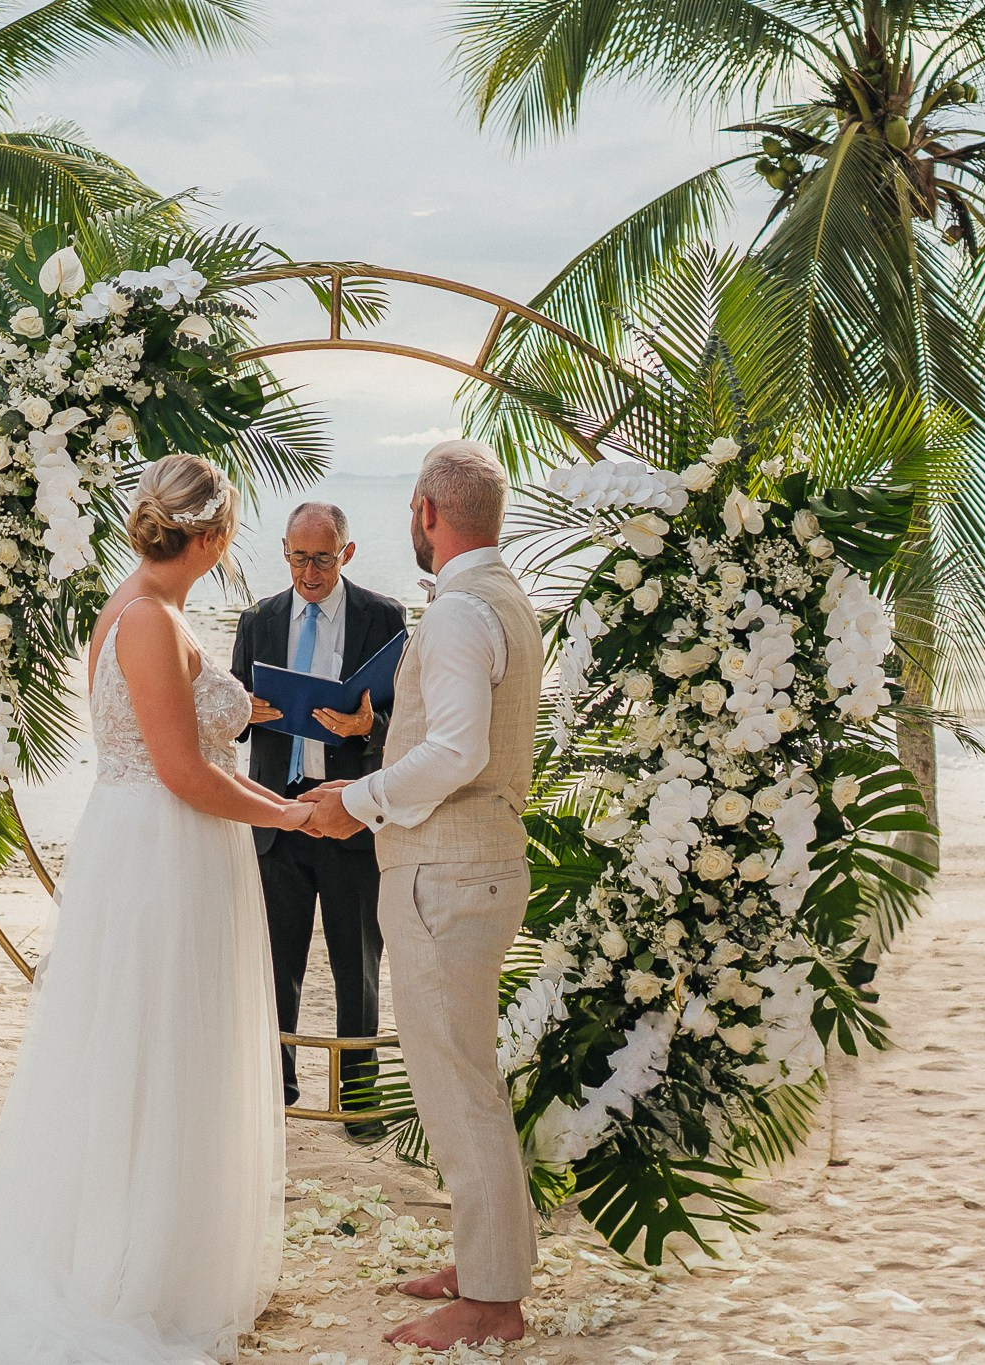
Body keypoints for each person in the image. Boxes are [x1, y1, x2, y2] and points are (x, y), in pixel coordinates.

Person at [0, 454, 311, 1364]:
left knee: (167, 1043)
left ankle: (165, 1249)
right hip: (163, 847)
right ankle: (140, 1269)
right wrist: (288, 813)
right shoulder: (149, 621)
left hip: (160, 843)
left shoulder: (144, 608)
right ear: (211, 536)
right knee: (154, 1044)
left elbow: (192, 734)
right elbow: (182, 769)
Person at [302, 439, 543, 1350]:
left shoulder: (453, 615)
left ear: (425, 512)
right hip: (475, 865)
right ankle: (487, 1260)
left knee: (456, 1082)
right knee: (463, 1075)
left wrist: (355, 803)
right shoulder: (505, 601)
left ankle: (491, 1299)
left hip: (444, 873)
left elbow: (458, 752)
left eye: (413, 513)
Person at [230, 503, 407, 1128]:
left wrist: (369, 725)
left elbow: (408, 718)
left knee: (358, 963)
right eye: (298, 556)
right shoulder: (258, 619)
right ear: (284, 552)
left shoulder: (383, 617)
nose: (308, 571)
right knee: (275, 964)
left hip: (351, 814)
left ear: (347, 554)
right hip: (279, 814)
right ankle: (274, 1093)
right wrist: (243, 713)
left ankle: (359, 1103)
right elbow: (228, 709)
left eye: (322, 558)